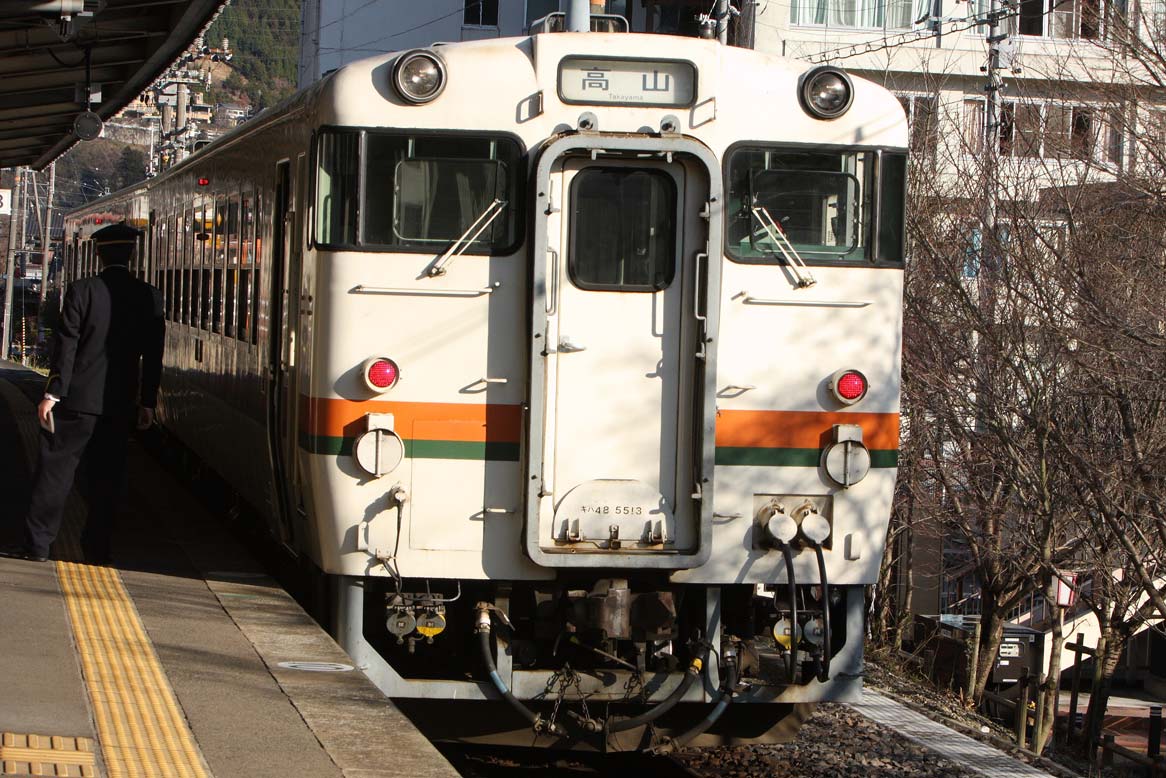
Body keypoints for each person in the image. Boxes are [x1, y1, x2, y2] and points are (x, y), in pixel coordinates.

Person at [2, 222, 164, 564]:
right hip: (119, 404)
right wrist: (147, 401)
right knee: (108, 479)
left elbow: (67, 348)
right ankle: (97, 550)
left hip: (77, 401)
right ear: (132, 255)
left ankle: (39, 544)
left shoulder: (81, 290)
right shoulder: (149, 296)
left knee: (56, 472)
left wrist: (53, 393)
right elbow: (153, 356)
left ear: (99, 254)